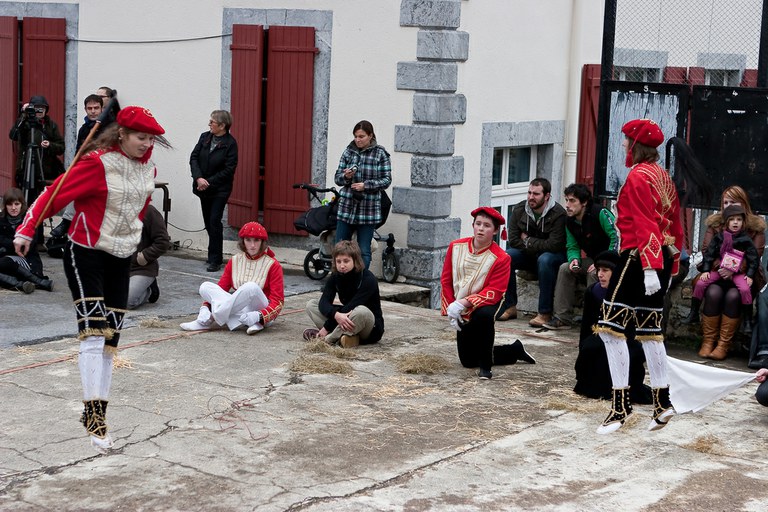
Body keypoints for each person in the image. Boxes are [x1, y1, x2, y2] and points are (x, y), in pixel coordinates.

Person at [13, 105, 169, 453]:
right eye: (141, 137)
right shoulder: (97, 164)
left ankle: (98, 410)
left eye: (151, 139)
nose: (147, 144)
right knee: (94, 334)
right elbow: (54, 194)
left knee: (110, 341)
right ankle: (94, 415)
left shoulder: (148, 170)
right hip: (86, 253)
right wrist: (27, 228)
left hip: (121, 256)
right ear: (122, 134)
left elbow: (138, 211)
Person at [594, 119, 684, 434]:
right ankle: (662, 403)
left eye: (626, 140)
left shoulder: (637, 176)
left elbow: (645, 224)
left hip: (638, 259)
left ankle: (620, 407)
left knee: (610, 329)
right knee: (650, 331)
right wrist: (669, 267)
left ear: (636, 145)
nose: (623, 145)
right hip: (659, 259)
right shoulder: (663, 176)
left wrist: (648, 267)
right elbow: (675, 226)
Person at [439, 207, 535, 380]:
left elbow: (494, 291)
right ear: (473, 225)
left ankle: (486, 367)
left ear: (496, 230)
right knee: (468, 360)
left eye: (487, 225)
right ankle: (514, 350)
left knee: (483, 317)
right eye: (478, 224)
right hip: (461, 302)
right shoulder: (456, 246)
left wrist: (462, 303)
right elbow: (446, 279)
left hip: (491, 301)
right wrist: (450, 308)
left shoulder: (502, 258)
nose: (481, 229)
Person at [573, 250, 651, 404]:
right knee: (592, 347)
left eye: (605, 271)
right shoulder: (593, 291)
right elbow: (587, 325)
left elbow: (635, 329)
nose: (600, 274)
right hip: (599, 338)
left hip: (625, 341)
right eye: (598, 270)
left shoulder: (630, 292)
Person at [180, 221, 284, 335]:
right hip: (239, 308)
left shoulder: (273, 265)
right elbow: (220, 290)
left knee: (251, 287)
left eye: (256, 240)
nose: (252, 245)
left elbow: (278, 301)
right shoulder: (234, 261)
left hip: (261, 310)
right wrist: (206, 306)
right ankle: (244, 321)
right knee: (205, 287)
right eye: (248, 240)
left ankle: (209, 319)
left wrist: (259, 315)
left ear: (262, 242)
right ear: (243, 241)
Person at [684, 185, 766, 325]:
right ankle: (704, 331)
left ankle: (734, 333)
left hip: (743, 274)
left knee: (733, 296)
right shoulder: (715, 223)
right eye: (726, 202)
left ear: (743, 203)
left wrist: (733, 269)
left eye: (733, 202)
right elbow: (707, 250)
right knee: (712, 292)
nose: (729, 206)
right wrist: (723, 267)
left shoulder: (756, 226)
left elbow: (754, 256)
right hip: (718, 271)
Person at [544, 183, 617, 330]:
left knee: (594, 273)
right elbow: (572, 246)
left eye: (572, 201)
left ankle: (593, 319)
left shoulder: (600, 213)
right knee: (565, 268)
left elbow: (616, 238)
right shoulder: (569, 220)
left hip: (611, 261)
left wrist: (602, 263)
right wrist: (574, 260)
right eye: (566, 200)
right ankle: (562, 318)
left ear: (584, 202)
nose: (567, 205)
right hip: (592, 260)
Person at [497, 178, 567, 327]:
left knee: (545, 259)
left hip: (553, 258)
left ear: (546, 196)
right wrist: (536, 244)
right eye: (529, 193)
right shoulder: (519, 209)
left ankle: (544, 313)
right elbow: (513, 240)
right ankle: (509, 306)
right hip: (530, 255)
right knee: (506, 256)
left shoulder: (559, 214)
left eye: (536, 194)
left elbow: (554, 245)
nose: (531, 197)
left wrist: (528, 240)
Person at [693, 204, 759, 360]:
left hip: (738, 273)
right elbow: (709, 254)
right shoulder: (719, 237)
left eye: (739, 220)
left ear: (744, 222)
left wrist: (749, 274)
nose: (735, 222)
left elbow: (754, 259)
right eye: (732, 219)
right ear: (726, 221)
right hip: (718, 271)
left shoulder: (746, 240)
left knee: (744, 289)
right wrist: (706, 270)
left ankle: (747, 320)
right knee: (701, 284)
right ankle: (693, 313)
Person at [334, 120, 392, 270]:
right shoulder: (348, 152)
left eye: (361, 136)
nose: (357, 140)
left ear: (370, 136)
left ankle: (361, 279)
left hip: (368, 209)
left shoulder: (380, 154)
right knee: (340, 247)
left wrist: (366, 186)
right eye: (355, 136)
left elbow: (386, 180)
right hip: (347, 208)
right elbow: (337, 178)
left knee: (364, 249)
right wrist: (346, 176)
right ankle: (340, 278)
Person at [303, 240, 384, 347]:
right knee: (311, 304)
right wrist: (336, 315)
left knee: (361, 311)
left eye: (346, 261)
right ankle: (347, 337)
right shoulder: (335, 276)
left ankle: (326, 339)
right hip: (346, 320)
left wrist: (326, 327)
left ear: (355, 261)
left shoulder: (368, 279)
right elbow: (324, 302)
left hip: (368, 326)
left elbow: (351, 307)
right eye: (338, 261)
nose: (342, 265)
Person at [190, 110, 238, 272]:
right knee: (208, 222)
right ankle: (213, 254)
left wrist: (208, 182)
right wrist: (198, 178)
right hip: (202, 187)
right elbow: (194, 158)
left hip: (219, 190)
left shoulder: (230, 144)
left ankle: (215, 259)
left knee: (214, 220)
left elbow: (229, 169)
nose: (209, 124)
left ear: (222, 125)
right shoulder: (204, 137)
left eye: (212, 122)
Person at [0, 187, 53, 293]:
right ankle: (21, 285)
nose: (13, 208)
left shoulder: (29, 220)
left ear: (22, 204)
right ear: (5, 206)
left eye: (16, 204)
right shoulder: (1, 220)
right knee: (5, 262)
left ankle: (38, 280)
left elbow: (27, 246)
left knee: (6, 261)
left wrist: (6, 246)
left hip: (28, 262)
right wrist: (13, 243)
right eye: (10, 204)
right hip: (7, 264)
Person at [127, 203, 172, 309]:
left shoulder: (149, 211)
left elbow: (163, 241)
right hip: (116, 269)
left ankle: (150, 290)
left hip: (141, 268)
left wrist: (145, 256)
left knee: (125, 301)